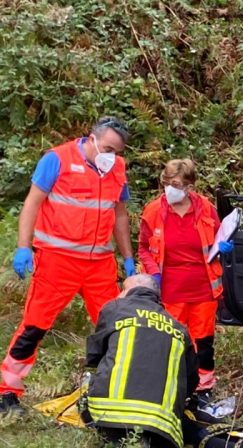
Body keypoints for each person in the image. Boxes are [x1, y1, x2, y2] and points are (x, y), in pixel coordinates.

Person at [1, 117, 136, 415]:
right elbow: (32, 203)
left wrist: (128, 259)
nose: (110, 156)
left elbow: (120, 215)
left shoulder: (117, 168)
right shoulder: (57, 159)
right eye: (107, 148)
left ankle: (113, 387)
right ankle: (7, 392)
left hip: (99, 265)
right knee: (34, 327)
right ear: (91, 139)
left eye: (116, 151)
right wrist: (24, 247)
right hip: (56, 261)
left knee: (116, 327)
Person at [138, 159, 232, 401]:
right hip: (169, 290)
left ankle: (204, 387)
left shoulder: (206, 210)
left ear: (190, 186)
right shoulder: (153, 211)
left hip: (203, 288)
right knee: (170, 340)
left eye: (176, 184)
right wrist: (153, 272)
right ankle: (172, 385)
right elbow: (144, 249)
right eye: (166, 183)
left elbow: (221, 236)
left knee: (203, 342)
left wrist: (224, 247)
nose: (170, 188)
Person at [85, 274, 197, 448]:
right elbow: (191, 381)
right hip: (162, 424)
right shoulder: (179, 328)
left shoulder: (115, 308)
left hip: (109, 413)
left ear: (127, 291)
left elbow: (93, 357)